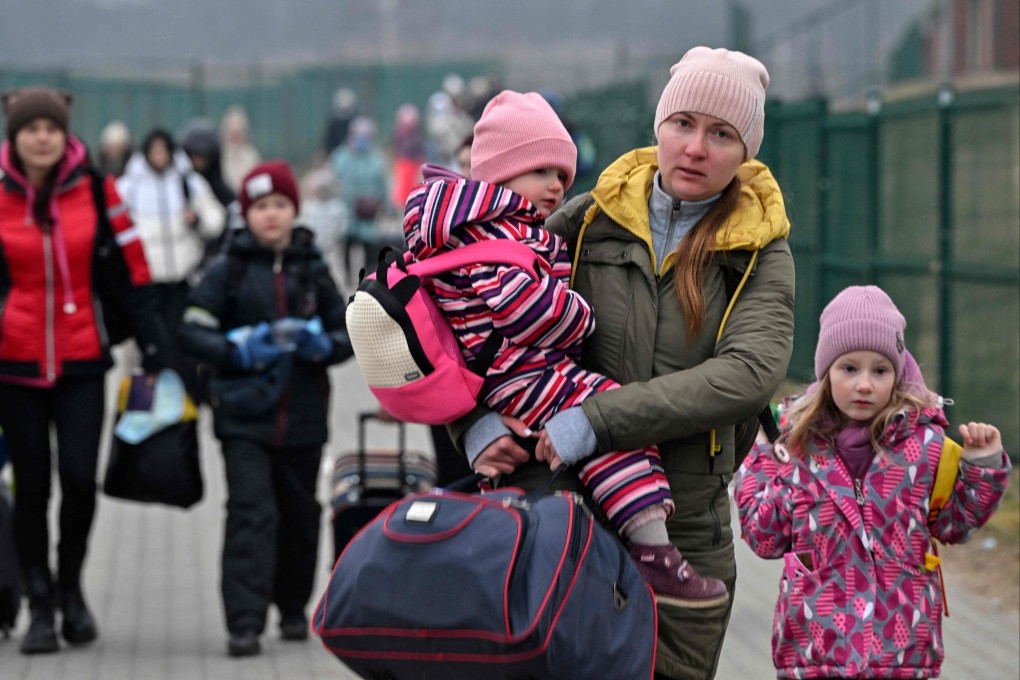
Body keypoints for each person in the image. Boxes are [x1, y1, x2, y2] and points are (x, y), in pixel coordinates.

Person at [457, 47, 794, 679]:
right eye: (683, 124)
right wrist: (476, 429)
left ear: (746, 151)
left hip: (683, 538)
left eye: (722, 134)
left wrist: (596, 420)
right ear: (659, 127)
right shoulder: (588, 220)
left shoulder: (759, 252)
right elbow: (467, 319)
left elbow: (748, 373)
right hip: (562, 512)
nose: (696, 147)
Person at [405, 89, 728, 608]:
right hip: (521, 373)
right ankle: (651, 548)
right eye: (541, 172)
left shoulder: (471, 228)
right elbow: (523, 309)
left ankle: (634, 542)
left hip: (509, 375)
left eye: (562, 174)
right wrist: (581, 315)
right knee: (609, 420)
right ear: (501, 175)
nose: (556, 186)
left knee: (600, 426)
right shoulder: (493, 234)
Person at [734, 285, 1011, 679]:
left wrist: (983, 467)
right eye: (849, 369)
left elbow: (955, 523)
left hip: (902, 657)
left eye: (879, 370)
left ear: (896, 375)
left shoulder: (926, 447)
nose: (864, 384)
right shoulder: (796, 446)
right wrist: (757, 458)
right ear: (826, 373)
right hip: (815, 654)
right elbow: (765, 535)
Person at [0, 86, 170, 655]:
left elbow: (133, 268)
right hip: (15, 363)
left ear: (65, 132)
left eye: (51, 127)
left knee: (78, 479)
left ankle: (72, 587)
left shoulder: (98, 191)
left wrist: (155, 346)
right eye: (31, 129)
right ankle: (40, 604)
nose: (42, 137)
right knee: (32, 488)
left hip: (81, 360)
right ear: (15, 137)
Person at [178, 160, 353, 658]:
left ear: (294, 210)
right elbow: (191, 327)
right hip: (242, 418)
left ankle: (293, 607)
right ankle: (245, 623)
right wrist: (236, 349)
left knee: (300, 515)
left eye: (280, 205)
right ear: (246, 213)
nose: (271, 216)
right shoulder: (228, 266)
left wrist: (324, 343)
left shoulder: (312, 265)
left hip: (303, 418)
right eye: (260, 207)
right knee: (251, 514)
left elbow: (349, 333)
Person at [116, 128, 227, 400]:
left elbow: (216, 218)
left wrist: (197, 221)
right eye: (153, 151)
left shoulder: (188, 182)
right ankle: (141, 413)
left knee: (182, 348)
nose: (159, 157)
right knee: (147, 350)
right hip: (145, 282)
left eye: (164, 151)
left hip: (182, 280)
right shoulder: (128, 185)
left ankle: (184, 409)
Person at [329, 115, 389, 284]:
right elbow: (332, 181)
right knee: (347, 244)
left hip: (367, 211)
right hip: (346, 211)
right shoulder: (340, 157)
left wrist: (385, 204)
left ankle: (368, 278)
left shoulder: (376, 160)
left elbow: (383, 184)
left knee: (369, 246)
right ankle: (348, 278)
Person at [219, 105, 262, 192]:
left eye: (238, 132)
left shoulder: (251, 155)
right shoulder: (219, 154)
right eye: (232, 132)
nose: (235, 135)